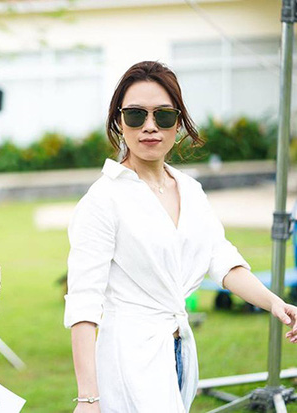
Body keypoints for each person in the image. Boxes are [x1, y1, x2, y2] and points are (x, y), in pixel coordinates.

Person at [64, 61, 297, 413]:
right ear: (118, 122)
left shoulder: (190, 190)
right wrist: (87, 398)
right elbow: (84, 303)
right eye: (136, 115)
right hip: (127, 359)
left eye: (163, 115)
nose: (150, 126)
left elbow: (221, 259)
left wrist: (274, 303)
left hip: (178, 350)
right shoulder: (102, 200)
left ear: (179, 122)